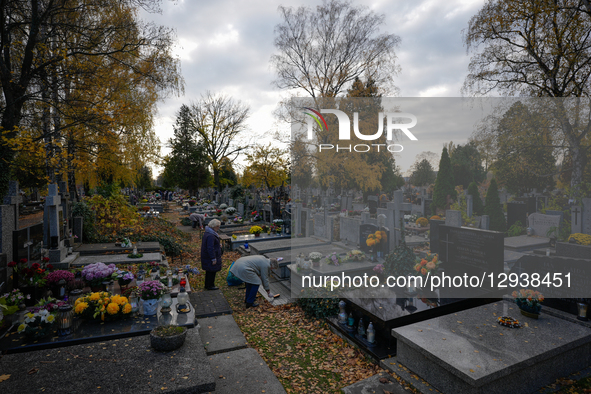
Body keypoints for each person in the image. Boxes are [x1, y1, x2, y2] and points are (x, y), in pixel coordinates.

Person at [201, 219, 222, 290]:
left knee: (209, 271)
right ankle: (210, 285)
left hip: (207, 256)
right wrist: (213, 258)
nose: (218, 228)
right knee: (212, 271)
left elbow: (211, 244)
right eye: (217, 226)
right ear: (213, 226)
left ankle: (208, 285)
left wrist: (218, 245)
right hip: (210, 256)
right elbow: (210, 248)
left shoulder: (209, 233)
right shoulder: (211, 235)